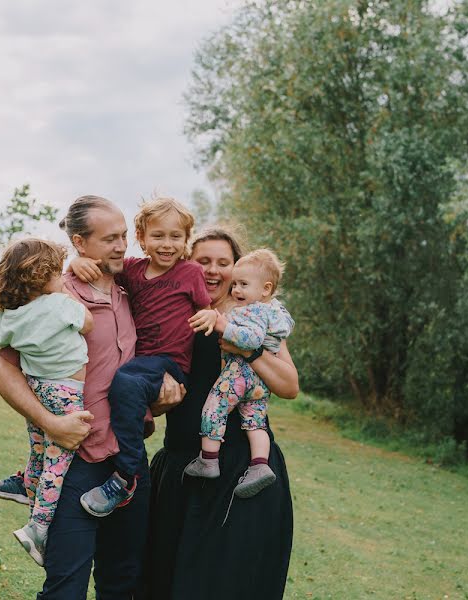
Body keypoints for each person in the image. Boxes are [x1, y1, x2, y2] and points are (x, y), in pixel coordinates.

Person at [0, 195, 184, 599]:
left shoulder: (134, 290)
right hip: (75, 464)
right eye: (110, 238)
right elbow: (1, 371)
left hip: (128, 463)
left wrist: (162, 399)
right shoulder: (56, 297)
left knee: (123, 580)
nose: (121, 246)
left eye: (124, 236)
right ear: (80, 242)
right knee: (65, 585)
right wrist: (51, 423)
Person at [144, 227, 299, 600]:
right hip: (181, 467)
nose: (213, 271)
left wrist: (248, 350)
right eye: (203, 262)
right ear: (187, 266)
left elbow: (289, 386)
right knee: (162, 583)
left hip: (241, 469)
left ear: (238, 270)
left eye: (223, 263)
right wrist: (158, 404)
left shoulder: (254, 320)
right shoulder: (173, 316)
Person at [73, 196, 211, 518]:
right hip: (141, 362)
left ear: (186, 240)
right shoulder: (133, 271)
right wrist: (74, 263)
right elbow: (101, 269)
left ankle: (125, 474)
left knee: (125, 384)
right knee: (125, 390)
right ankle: (126, 459)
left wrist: (208, 317)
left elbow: (206, 308)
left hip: (171, 364)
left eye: (176, 236)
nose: (167, 244)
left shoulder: (190, 272)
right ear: (142, 238)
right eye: (158, 236)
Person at [0, 238, 94, 566]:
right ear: (43, 276)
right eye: (57, 273)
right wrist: (64, 292)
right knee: (57, 462)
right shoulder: (59, 305)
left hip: (36, 388)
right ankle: (38, 528)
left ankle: (28, 494)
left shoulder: (7, 317)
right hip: (66, 392)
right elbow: (88, 323)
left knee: (37, 449)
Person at [184, 249, 294, 498]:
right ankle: (259, 465)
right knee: (255, 422)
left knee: (214, 406)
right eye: (235, 284)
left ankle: (208, 460)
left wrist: (224, 325)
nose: (236, 291)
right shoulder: (276, 312)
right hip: (259, 384)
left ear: (265, 289)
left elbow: (252, 339)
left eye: (243, 284)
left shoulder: (252, 311)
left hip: (239, 374)